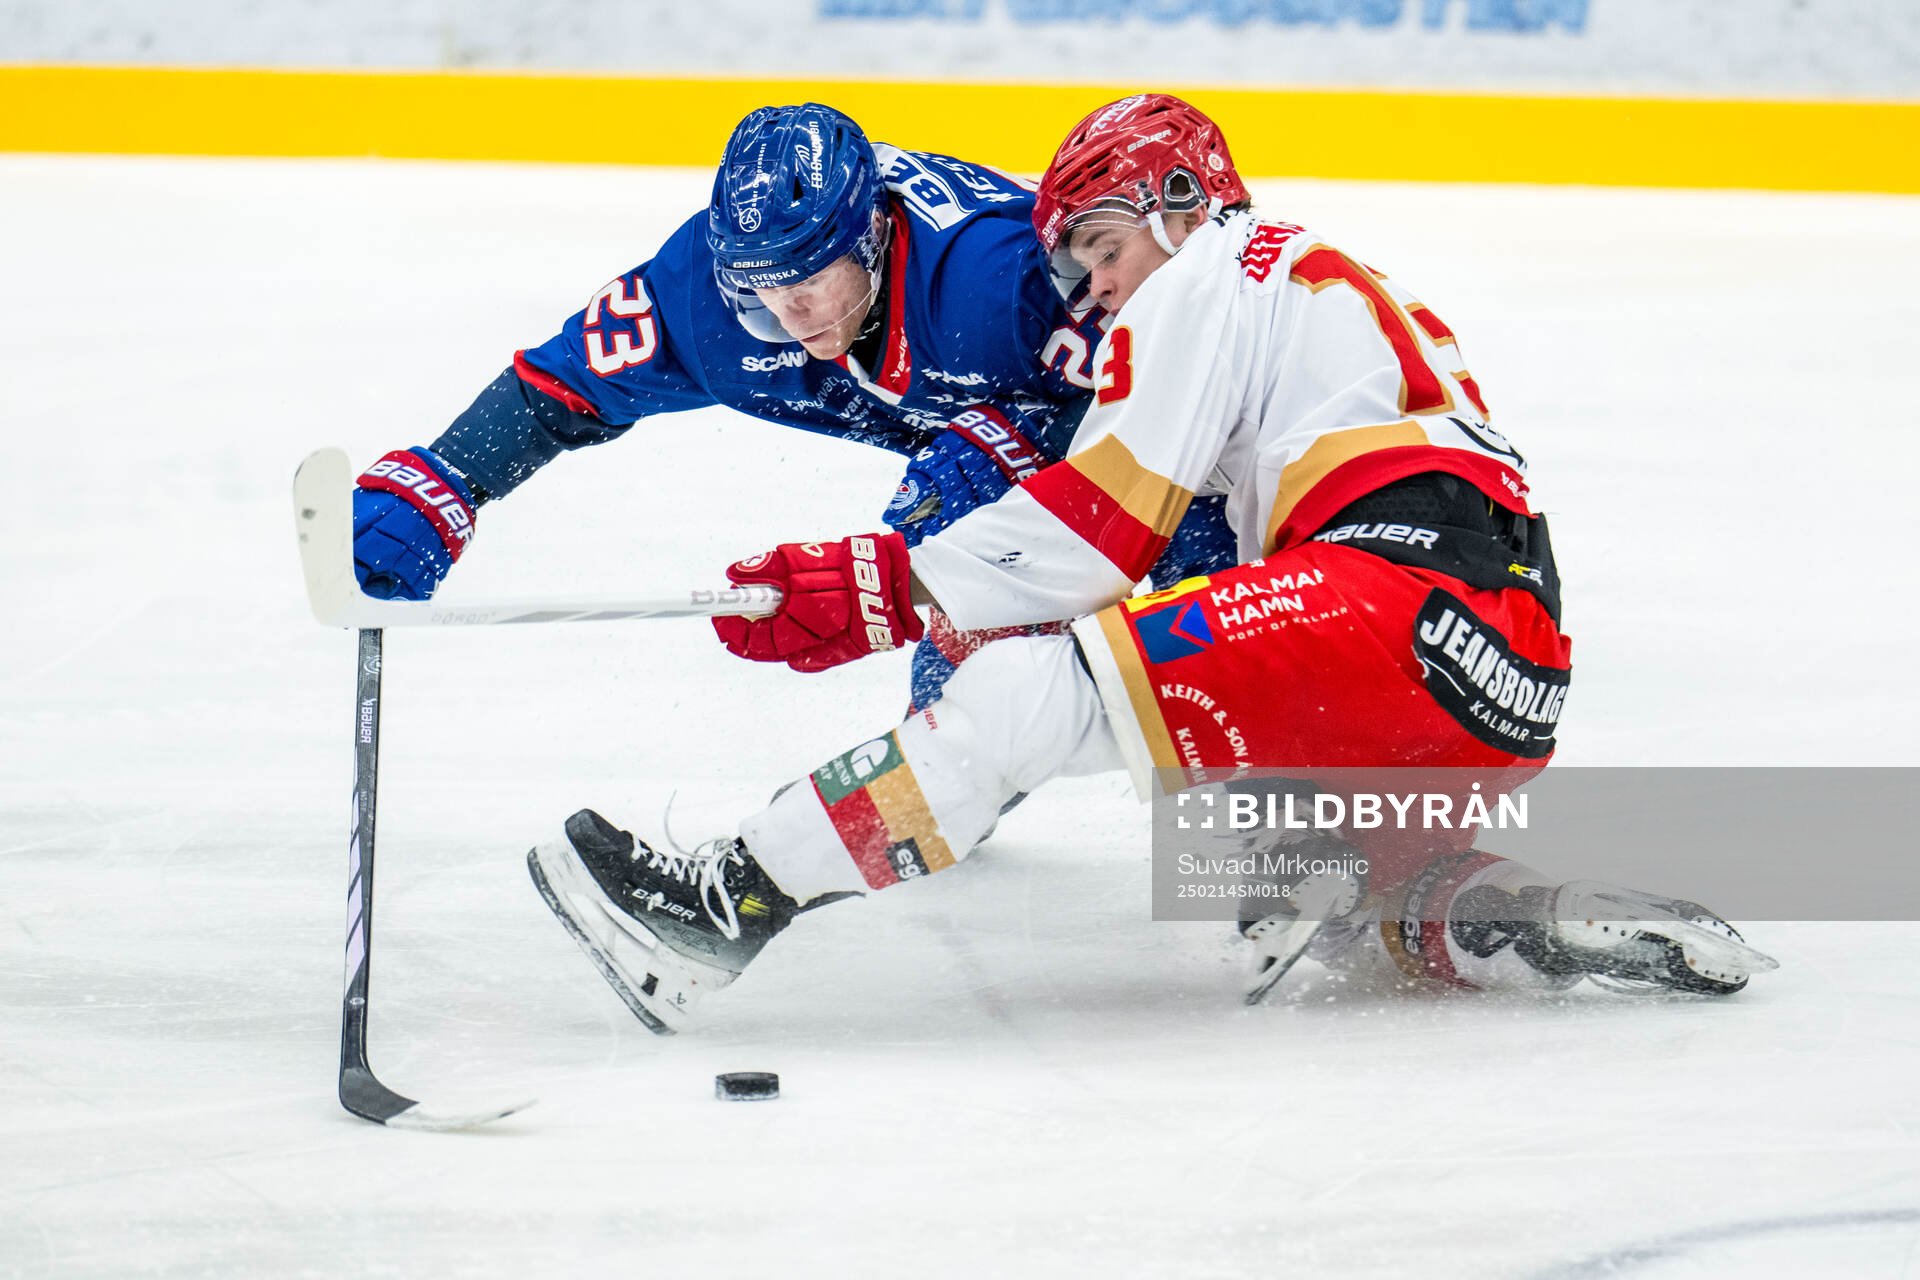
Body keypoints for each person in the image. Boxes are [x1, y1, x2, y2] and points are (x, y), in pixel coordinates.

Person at [526, 94, 1774, 1034]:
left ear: (1183, 197)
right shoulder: (1313, 307)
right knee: (1331, 883)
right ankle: (1491, 908)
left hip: (1396, 597)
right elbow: (1195, 570)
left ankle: (726, 903)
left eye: (1106, 249)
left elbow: (1099, 527)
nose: (1101, 291)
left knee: (1032, 698)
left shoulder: (1220, 267)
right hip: (1500, 663)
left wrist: (880, 584)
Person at [348, 102, 1234, 712]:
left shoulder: (999, 284)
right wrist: (444, 481)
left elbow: (1178, 404)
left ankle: (1284, 816)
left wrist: (1011, 469)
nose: (785, 316)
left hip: (1136, 435)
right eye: (757, 292)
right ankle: (964, 738)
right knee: (968, 693)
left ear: (874, 239)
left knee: (1197, 610)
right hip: (975, 429)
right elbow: (556, 391)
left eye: (809, 281)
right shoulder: (698, 303)